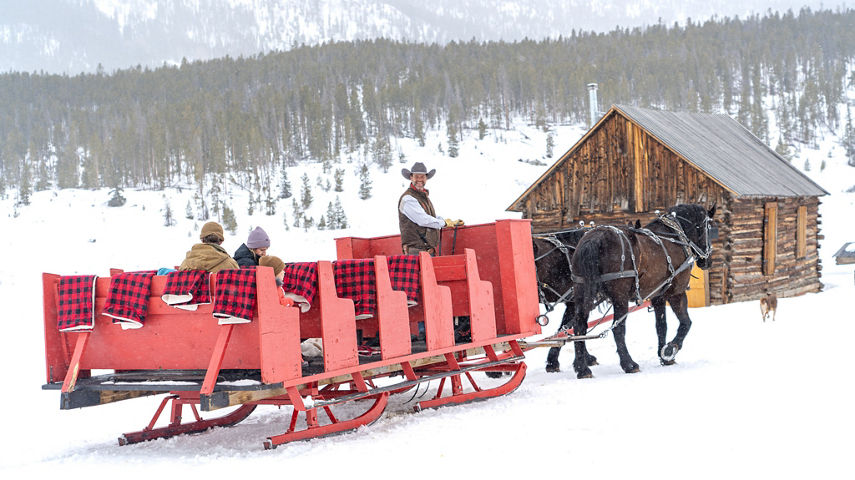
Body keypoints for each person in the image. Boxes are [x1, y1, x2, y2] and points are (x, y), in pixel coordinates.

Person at [398, 162, 463, 255]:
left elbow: (430, 216)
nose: (419, 179)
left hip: (426, 250)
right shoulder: (408, 198)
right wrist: (444, 223)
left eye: (422, 177)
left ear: (426, 178)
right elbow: (423, 220)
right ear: (411, 177)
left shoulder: (422, 197)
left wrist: (449, 222)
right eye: (417, 176)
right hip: (415, 251)